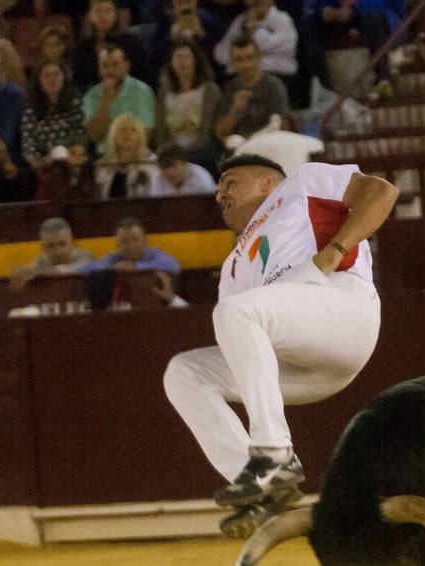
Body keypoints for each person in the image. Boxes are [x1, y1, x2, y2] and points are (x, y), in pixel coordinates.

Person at [163, 155, 398, 538]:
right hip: (301, 360)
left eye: (230, 182)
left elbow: (381, 191)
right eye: (218, 188)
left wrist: (335, 249)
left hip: (342, 309)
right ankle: (261, 486)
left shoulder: (302, 182)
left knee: (236, 312)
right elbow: (244, 344)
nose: (220, 194)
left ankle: (273, 454)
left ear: (268, 182)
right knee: (185, 372)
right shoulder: (233, 265)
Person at [299, 0, 405, 103]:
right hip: (329, 12)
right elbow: (311, 7)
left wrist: (351, 7)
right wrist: (328, 11)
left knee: (374, 17)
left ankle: (382, 80)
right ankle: (324, 90)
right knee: (308, 25)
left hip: (362, 11)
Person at [155, 37, 220, 171]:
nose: (182, 61)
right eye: (178, 57)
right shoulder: (164, 93)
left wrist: (184, 155)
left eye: (187, 57)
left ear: (196, 61)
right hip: (170, 154)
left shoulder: (209, 90)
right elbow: (161, 131)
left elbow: (207, 132)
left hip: (201, 153)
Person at [212, 36, 290, 147]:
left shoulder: (273, 86)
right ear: (232, 63)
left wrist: (251, 142)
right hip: (236, 148)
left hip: (267, 146)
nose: (245, 65)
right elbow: (220, 133)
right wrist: (234, 110)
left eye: (250, 58)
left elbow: (280, 126)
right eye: (239, 59)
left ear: (259, 58)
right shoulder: (230, 88)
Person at [82, 43, 156, 154]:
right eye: (105, 65)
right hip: (104, 156)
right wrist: (106, 101)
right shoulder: (91, 95)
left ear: (127, 67)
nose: (109, 70)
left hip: (136, 155)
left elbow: (146, 133)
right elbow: (94, 137)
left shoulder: (142, 91)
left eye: (115, 65)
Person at [21, 61, 85, 177]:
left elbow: (79, 133)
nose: (52, 79)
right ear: (39, 80)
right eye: (46, 75)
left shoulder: (75, 102)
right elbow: (28, 142)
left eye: (56, 74)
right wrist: (39, 161)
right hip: (44, 162)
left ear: (64, 77)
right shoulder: (30, 108)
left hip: (72, 158)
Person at [73, 0, 148, 91]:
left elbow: (143, 74)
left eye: (108, 10)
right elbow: (78, 80)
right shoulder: (83, 46)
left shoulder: (131, 43)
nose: (103, 15)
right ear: (89, 16)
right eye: (98, 11)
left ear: (116, 14)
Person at [213, 0, 296, 81]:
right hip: (240, 76)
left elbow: (265, 46)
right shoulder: (240, 20)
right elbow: (220, 54)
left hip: (275, 75)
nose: (258, 3)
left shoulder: (283, 19)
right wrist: (240, 60)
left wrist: (252, 31)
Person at [9, 217, 95, 289]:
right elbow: (29, 271)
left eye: (62, 244)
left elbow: (67, 270)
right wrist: (22, 273)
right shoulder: (40, 262)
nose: (58, 251)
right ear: (43, 247)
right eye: (50, 246)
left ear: (72, 242)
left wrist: (39, 272)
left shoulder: (87, 257)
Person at [93, 113, 160, 198]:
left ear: (140, 137)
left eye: (133, 130)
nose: (127, 133)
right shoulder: (103, 166)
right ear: (114, 136)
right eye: (123, 130)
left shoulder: (150, 163)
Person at [84, 216, 180, 274]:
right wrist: (111, 269)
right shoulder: (114, 258)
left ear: (145, 241)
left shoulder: (154, 254)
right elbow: (82, 271)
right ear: (117, 245)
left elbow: (174, 266)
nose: (130, 246)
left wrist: (135, 267)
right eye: (124, 241)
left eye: (135, 239)